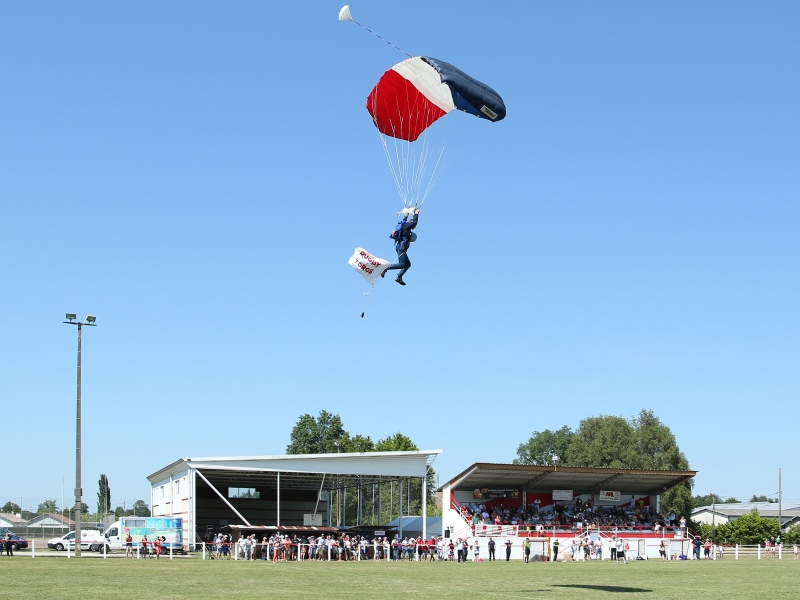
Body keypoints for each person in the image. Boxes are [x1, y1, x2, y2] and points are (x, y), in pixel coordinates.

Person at [381, 206, 420, 285]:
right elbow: (414, 222)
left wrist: (406, 214)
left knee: (408, 264)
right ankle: (385, 268)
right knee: (402, 264)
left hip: (400, 247)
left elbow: (404, 219)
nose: (414, 227)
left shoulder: (404, 224)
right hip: (402, 247)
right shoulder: (408, 225)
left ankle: (399, 277)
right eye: (414, 226)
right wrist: (416, 213)